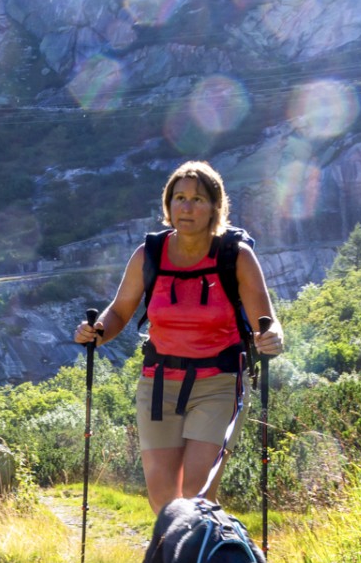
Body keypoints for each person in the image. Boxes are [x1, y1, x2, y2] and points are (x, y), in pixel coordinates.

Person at [73, 161, 283, 517]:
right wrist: (96, 334)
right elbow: (120, 312)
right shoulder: (148, 255)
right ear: (168, 205)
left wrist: (272, 338)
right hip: (158, 386)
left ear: (216, 207)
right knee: (163, 499)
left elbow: (267, 321)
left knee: (196, 492)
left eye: (198, 199)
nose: (187, 207)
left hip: (219, 383)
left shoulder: (236, 257)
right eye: (179, 198)